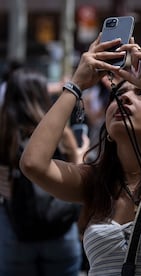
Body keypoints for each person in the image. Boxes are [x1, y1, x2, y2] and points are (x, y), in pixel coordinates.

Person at [19, 35, 141, 275]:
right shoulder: (95, 181)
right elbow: (32, 164)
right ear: (107, 129)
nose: (124, 98)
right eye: (117, 95)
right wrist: (76, 85)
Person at [0, 68, 83, 275]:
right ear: (42, 95)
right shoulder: (61, 133)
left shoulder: (4, 133)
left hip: (16, 228)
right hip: (60, 228)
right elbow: (78, 172)